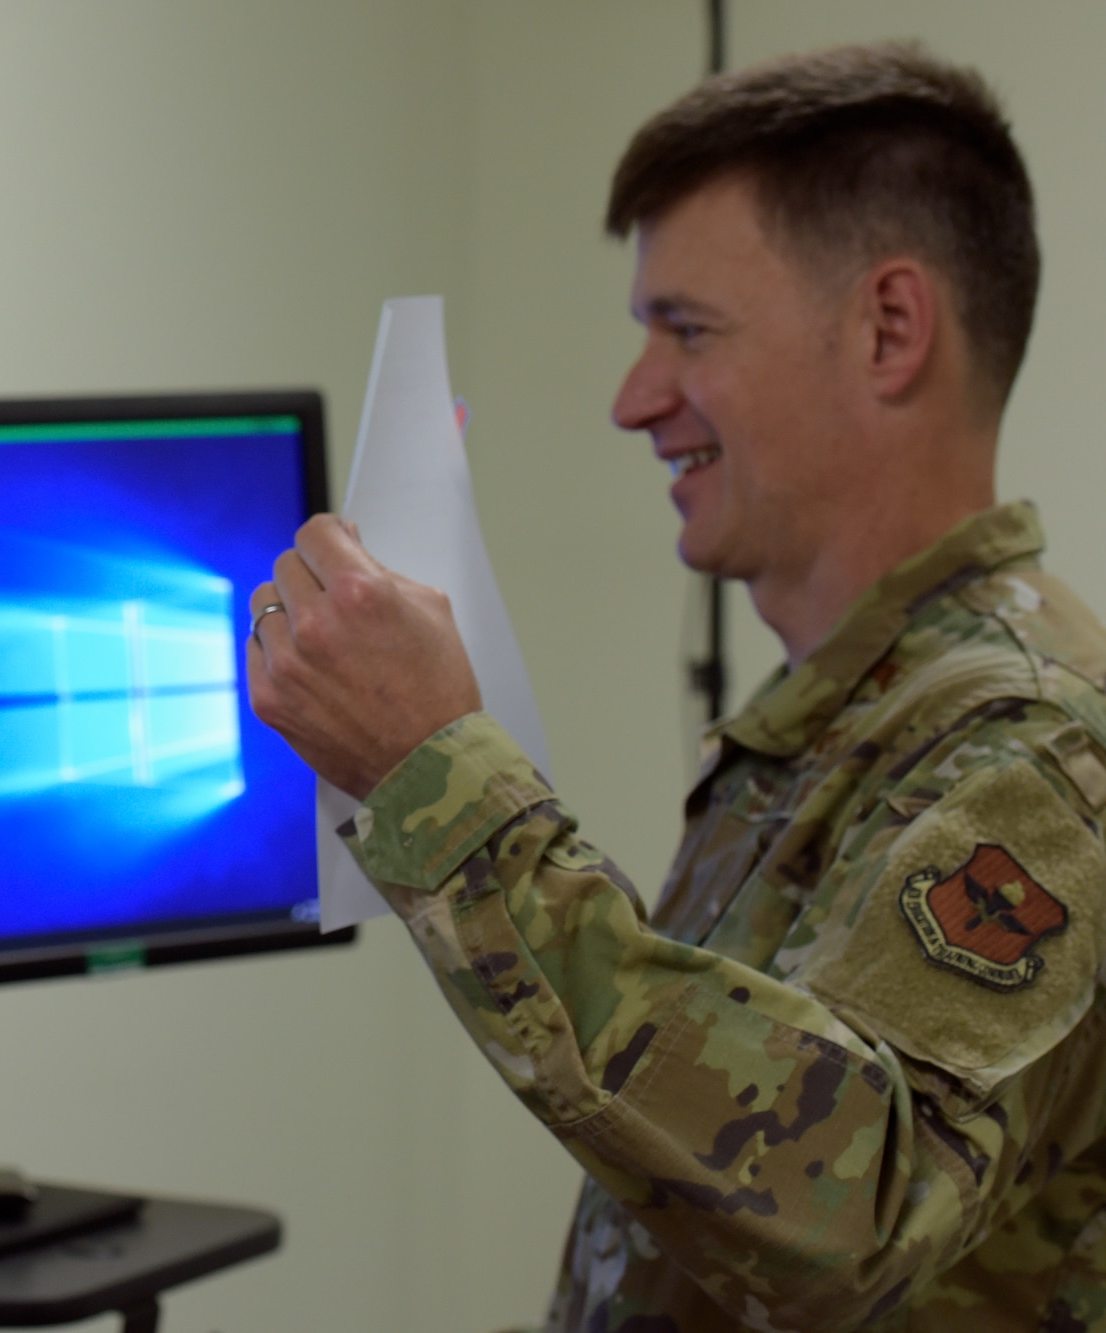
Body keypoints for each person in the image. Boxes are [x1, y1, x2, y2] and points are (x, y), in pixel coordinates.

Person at [248, 44, 1106, 1332]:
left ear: (887, 328)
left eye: (687, 329)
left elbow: (850, 1202)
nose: (632, 398)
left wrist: (435, 771)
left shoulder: (1033, 743)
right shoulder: (845, 716)